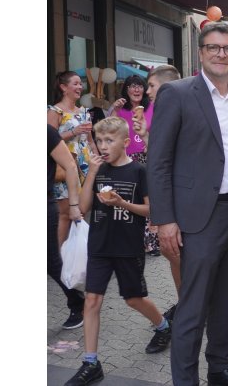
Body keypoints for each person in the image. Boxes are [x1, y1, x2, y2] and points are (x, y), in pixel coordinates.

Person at [148, 22, 228, 386]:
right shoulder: (177, 93)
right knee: (193, 308)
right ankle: (186, 379)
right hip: (196, 220)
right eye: (213, 47)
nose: (221, 53)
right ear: (201, 52)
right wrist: (164, 220)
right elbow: (159, 160)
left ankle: (220, 367)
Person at [64, 117, 170, 386]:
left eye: (109, 140)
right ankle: (90, 362)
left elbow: (151, 211)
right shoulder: (98, 170)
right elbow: (85, 208)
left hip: (128, 247)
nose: (103, 146)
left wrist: (123, 202)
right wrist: (90, 175)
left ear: (125, 142)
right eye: (99, 141)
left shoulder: (139, 172)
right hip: (99, 246)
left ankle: (163, 327)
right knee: (91, 300)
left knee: (133, 299)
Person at [134, 64, 183, 322]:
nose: (147, 91)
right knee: (172, 255)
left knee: (178, 255)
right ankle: (185, 303)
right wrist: (145, 136)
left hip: (181, 197)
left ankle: (191, 305)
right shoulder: (163, 108)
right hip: (168, 196)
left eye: (151, 85)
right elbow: (160, 156)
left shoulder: (178, 107)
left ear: (166, 85)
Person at [111, 74, 160, 256]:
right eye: (132, 86)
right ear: (126, 89)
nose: (137, 89)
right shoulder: (121, 110)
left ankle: (153, 242)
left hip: (149, 156)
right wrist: (114, 110)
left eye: (140, 85)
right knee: (131, 199)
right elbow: (112, 131)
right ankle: (133, 240)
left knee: (150, 198)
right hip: (128, 159)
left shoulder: (152, 107)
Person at [48, 70, 98, 247]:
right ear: (63, 87)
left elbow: (90, 141)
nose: (80, 87)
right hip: (65, 166)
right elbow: (48, 141)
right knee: (65, 214)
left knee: (82, 211)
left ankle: (75, 255)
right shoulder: (54, 112)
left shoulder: (84, 111)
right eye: (75, 83)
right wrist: (73, 132)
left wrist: (97, 160)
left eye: (80, 83)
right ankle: (57, 259)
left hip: (85, 167)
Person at [48, 125, 86, 330]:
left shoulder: (46, 132)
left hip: (46, 204)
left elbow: (70, 166)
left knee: (51, 261)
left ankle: (78, 303)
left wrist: (73, 205)